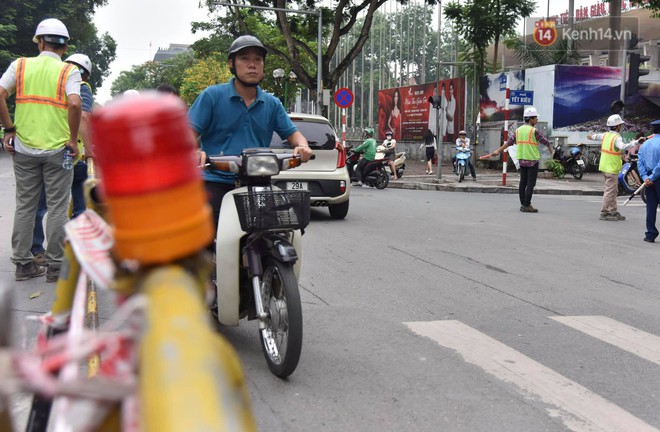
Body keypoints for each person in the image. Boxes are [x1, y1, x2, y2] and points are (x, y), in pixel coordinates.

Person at [188, 35, 312, 233]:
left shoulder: (272, 103)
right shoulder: (211, 96)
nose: (252, 65)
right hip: (216, 181)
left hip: (258, 183)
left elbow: (293, 134)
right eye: (244, 59)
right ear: (231, 64)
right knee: (201, 242)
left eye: (258, 60)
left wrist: (302, 146)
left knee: (283, 233)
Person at [0, 18, 82, 282]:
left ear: (39, 41)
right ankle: (56, 267)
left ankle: (24, 265)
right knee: (58, 207)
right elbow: (75, 104)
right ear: (65, 46)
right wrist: (72, 139)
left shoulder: (20, 65)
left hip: (24, 147)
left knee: (25, 206)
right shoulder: (69, 71)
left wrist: (9, 129)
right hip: (59, 150)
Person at [484, 107, 550, 213]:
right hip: (532, 160)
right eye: (536, 118)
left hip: (522, 160)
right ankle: (527, 205)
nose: (537, 120)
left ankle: (523, 204)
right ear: (531, 119)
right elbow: (545, 141)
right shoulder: (534, 131)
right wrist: (551, 149)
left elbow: (509, 142)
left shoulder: (518, 130)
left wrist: (498, 150)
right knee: (530, 184)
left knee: (522, 183)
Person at [587, 114, 635, 221]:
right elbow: (622, 147)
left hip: (605, 167)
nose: (621, 127)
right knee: (610, 191)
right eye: (620, 125)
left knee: (613, 190)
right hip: (612, 168)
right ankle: (604, 212)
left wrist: (591, 136)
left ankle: (613, 211)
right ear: (617, 126)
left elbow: (596, 136)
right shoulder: (616, 138)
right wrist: (635, 142)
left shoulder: (606, 135)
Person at [637, 119, 660, 243]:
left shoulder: (645, 144)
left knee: (651, 207)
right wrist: (652, 177)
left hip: (648, 178)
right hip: (658, 176)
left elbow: (640, 162)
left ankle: (650, 234)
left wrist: (645, 177)